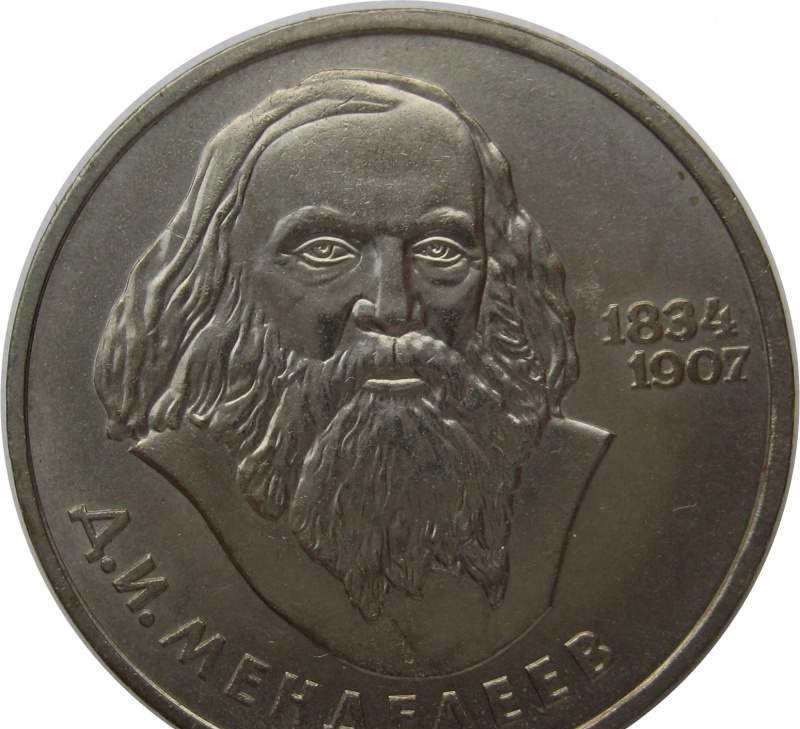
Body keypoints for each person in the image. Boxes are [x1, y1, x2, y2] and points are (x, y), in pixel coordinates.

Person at [95, 71, 610, 674]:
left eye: (440, 250)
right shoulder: (170, 489)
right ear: (223, 282)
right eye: (324, 252)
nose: (394, 307)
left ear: (497, 274)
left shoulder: (571, 477)